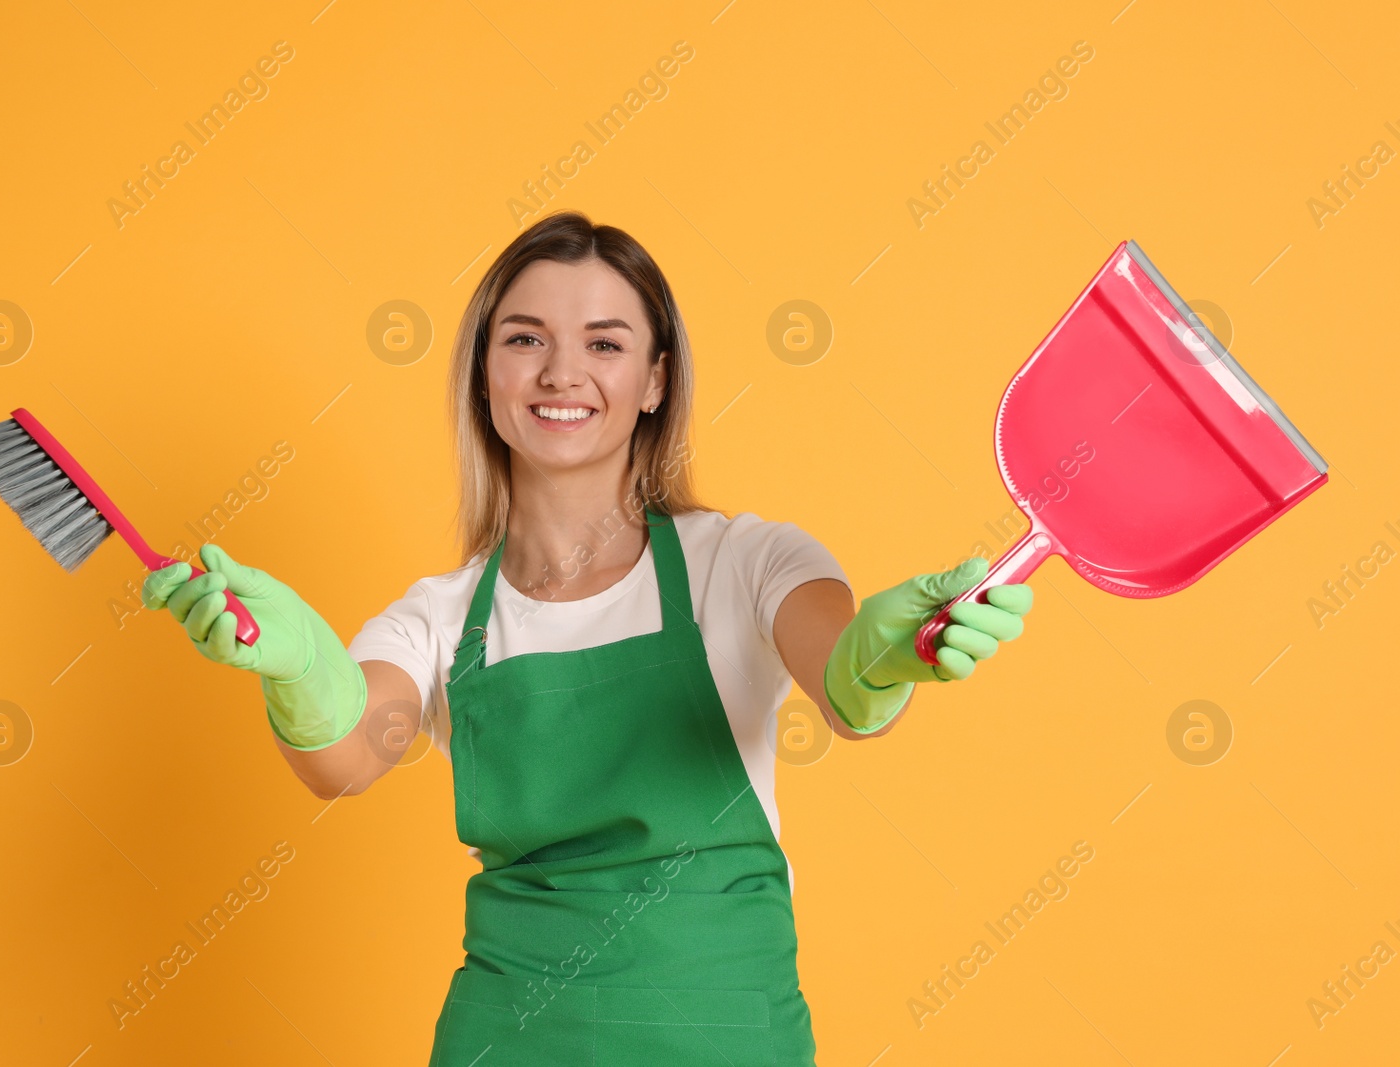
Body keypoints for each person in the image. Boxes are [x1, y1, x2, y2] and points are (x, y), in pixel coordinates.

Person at [141, 210, 1032, 1064]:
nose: (563, 372)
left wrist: (891, 652)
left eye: (604, 344)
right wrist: (298, 664)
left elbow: (847, 692)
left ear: (654, 380)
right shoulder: (442, 617)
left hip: (723, 1040)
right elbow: (347, 754)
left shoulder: (747, 561)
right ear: (483, 373)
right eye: (525, 339)